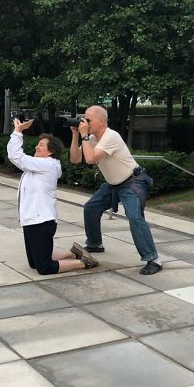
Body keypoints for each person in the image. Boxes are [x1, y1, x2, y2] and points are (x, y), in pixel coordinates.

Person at [69, 105, 162, 275]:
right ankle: (95, 244)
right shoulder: (91, 138)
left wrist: (83, 135)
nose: (85, 122)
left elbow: (90, 159)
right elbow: (75, 159)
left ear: (101, 120)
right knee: (91, 208)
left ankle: (154, 259)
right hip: (114, 184)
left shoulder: (111, 136)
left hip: (132, 181)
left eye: (88, 120)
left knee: (135, 217)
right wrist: (76, 135)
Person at [7, 117, 99, 275]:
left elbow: (16, 157)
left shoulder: (48, 165)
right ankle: (72, 254)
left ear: (50, 152)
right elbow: (20, 160)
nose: (36, 147)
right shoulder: (39, 166)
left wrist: (18, 132)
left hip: (41, 222)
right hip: (31, 220)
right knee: (33, 263)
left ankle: (83, 263)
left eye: (41, 145)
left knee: (44, 268)